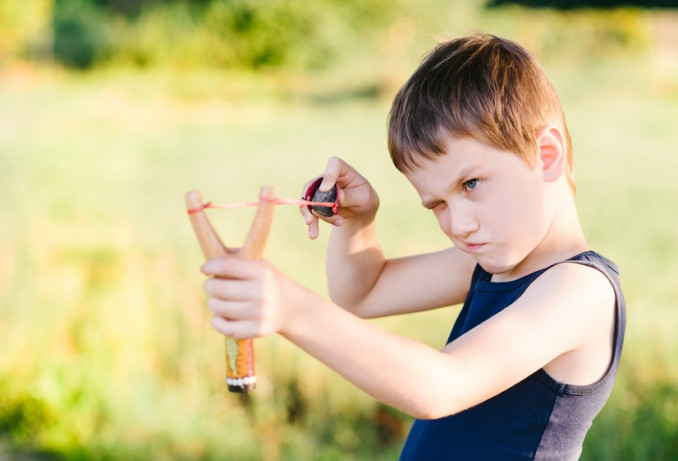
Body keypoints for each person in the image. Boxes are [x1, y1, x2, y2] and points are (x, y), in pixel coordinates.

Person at [200, 33, 626, 460]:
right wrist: (357, 222)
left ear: (546, 155)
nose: (458, 224)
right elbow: (362, 295)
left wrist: (292, 308)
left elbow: (442, 386)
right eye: (437, 204)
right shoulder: (486, 264)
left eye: (471, 184)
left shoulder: (579, 292)